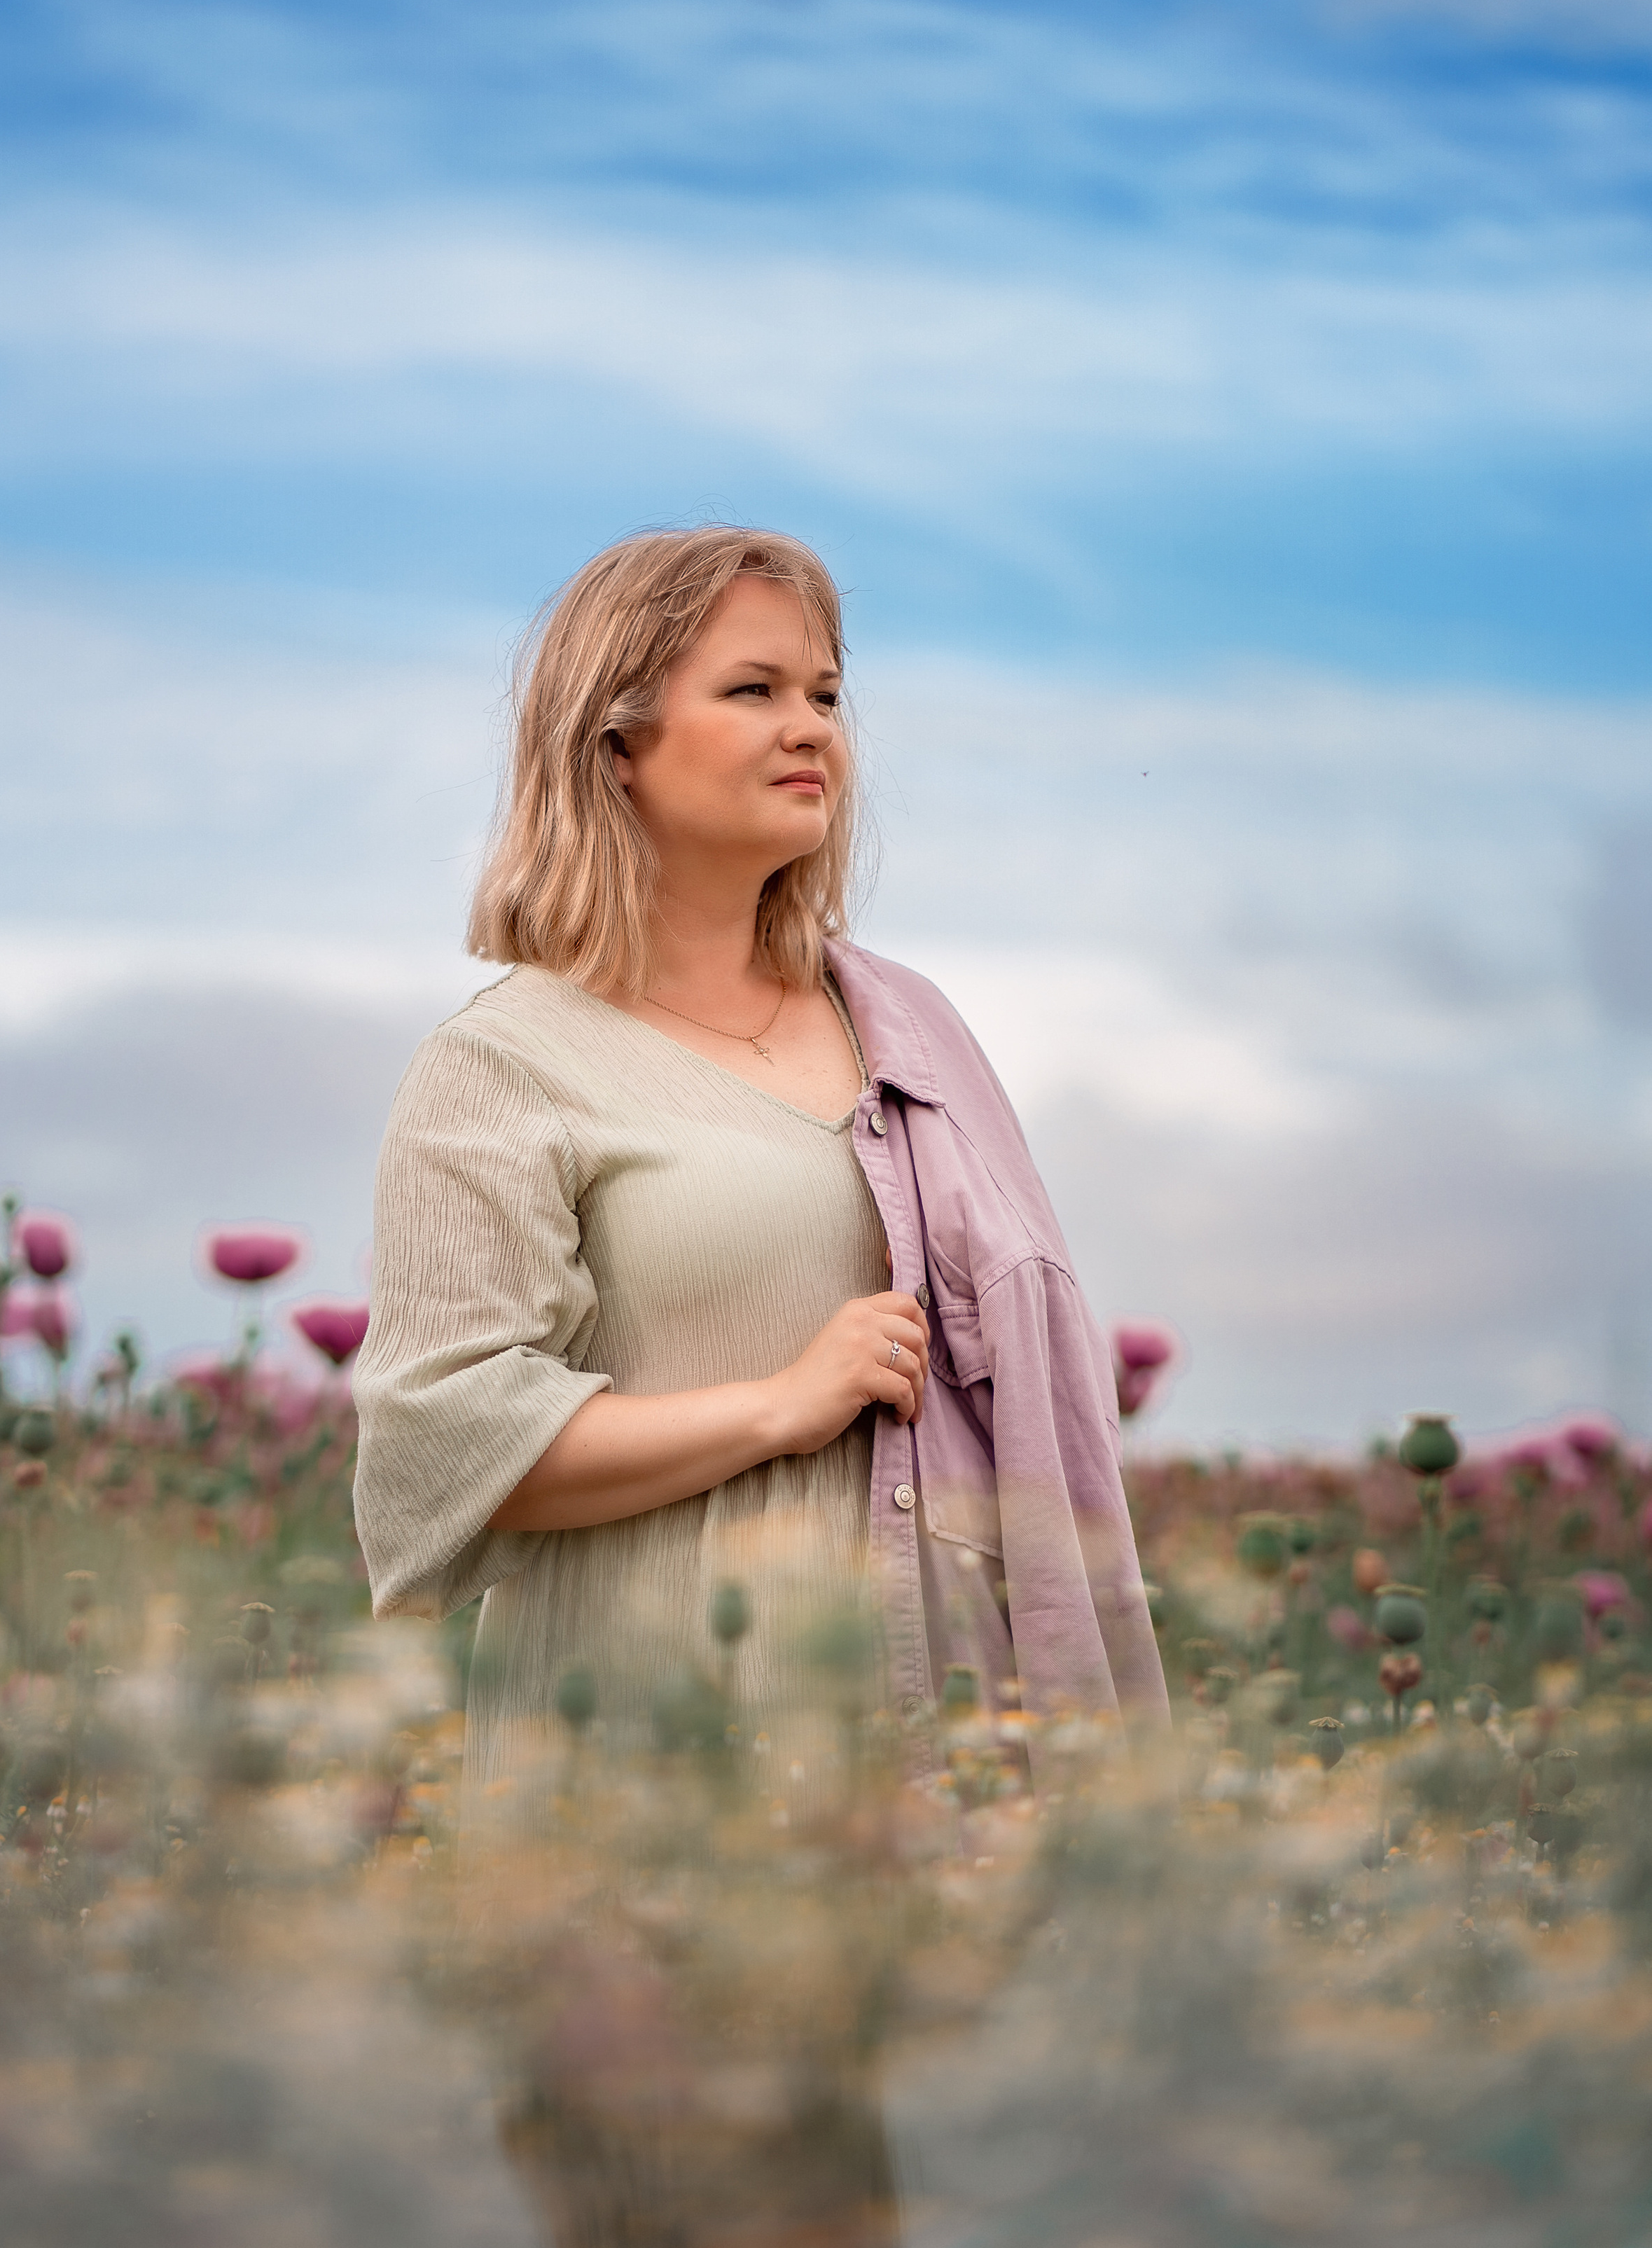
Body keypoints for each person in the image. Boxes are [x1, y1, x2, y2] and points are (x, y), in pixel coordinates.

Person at [353, 525, 1164, 1791]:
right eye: (754, 690)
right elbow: (442, 1445)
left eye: (826, 697)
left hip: (924, 1755)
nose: (811, 731)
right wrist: (780, 1406)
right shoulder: (505, 1066)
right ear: (615, 744)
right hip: (647, 1750)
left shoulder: (907, 1032)